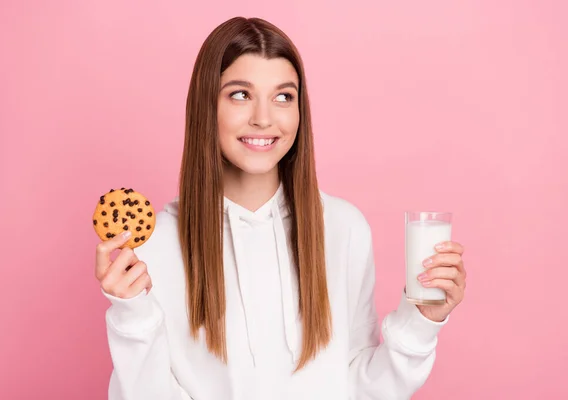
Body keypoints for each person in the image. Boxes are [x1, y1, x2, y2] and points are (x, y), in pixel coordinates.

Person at [94, 16, 467, 400]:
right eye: (240, 94)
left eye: (283, 96)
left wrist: (423, 319)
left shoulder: (343, 227)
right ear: (206, 105)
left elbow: (362, 387)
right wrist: (132, 314)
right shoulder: (153, 246)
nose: (264, 118)